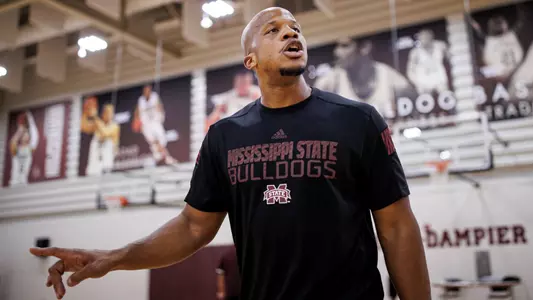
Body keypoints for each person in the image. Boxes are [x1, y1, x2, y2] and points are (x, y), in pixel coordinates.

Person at [30, 7, 430, 300]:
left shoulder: (357, 120)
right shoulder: (224, 135)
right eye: (274, 30)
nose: (291, 34)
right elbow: (192, 228)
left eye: (296, 28)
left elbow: (396, 227)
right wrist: (113, 257)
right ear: (250, 60)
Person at [314, 37, 414, 119]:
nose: (337, 52)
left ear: (365, 47)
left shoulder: (388, 76)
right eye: (337, 47)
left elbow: (413, 106)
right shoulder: (330, 82)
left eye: (345, 46)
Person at [467, 9, 524, 79]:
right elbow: (479, 73)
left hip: (496, 28)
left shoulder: (518, 58)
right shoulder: (499, 70)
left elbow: (479, 73)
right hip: (492, 28)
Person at [132, 84, 177, 165]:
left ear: (150, 90)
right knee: (153, 142)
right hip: (146, 125)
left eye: (148, 90)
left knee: (161, 140)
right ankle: (164, 158)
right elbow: (137, 112)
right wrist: (137, 122)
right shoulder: (141, 100)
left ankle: (164, 157)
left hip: (155, 122)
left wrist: (161, 116)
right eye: (145, 90)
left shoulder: (154, 96)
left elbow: (160, 106)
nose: (146, 92)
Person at [81, 97, 120, 176]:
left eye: (111, 112)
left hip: (105, 165)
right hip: (94, 165)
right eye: (107, 112)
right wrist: (85, 112)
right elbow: (83, 127)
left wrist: (95, 117)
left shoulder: (114, 126)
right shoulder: (97, 125)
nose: (109, 114)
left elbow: (105, 133)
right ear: (103, 114)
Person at [406, 29, 450, 95]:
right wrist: (417, 82)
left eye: (426, 37)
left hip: (439, 78)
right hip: (423, 81)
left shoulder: (440, 46)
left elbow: (451, 58)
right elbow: (410, 71)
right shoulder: (415, 52)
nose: (424, 39)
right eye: (422, 38)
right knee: (426, 102)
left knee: (446, 97)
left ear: (431, 37)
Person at [9, 111, 39, 186]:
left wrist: (29, 118)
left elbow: (35, 134)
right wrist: (19, 131)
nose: (25, 136)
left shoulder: (30, 148)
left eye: (27, 134)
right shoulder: (16, 149)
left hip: (23, 183)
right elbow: (13, 143)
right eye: (23, 135)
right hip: (14, 182)